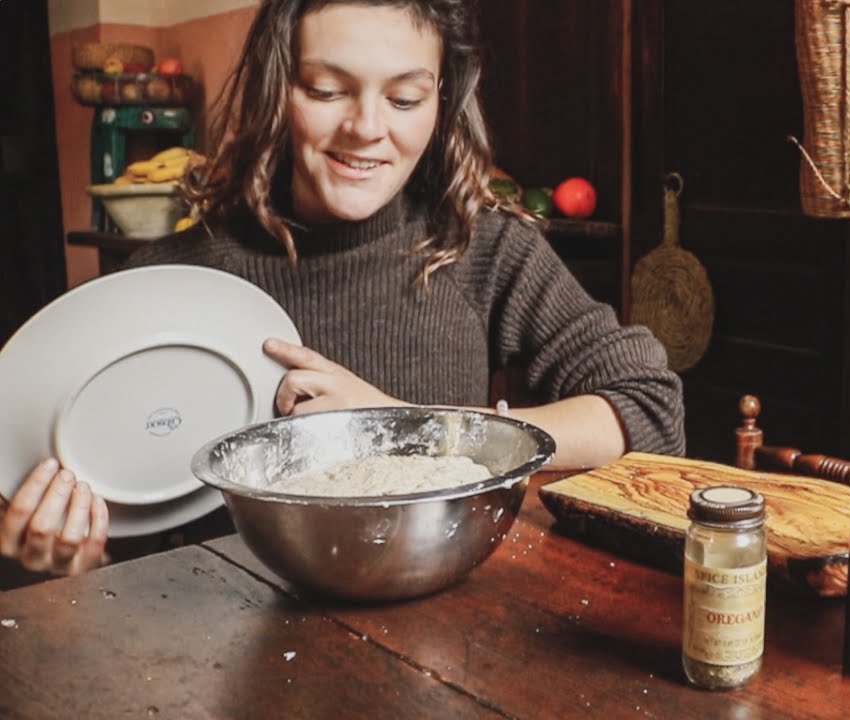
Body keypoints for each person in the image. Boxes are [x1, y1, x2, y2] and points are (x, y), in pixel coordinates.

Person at [1, 0, 684, 578]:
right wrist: (65, 558)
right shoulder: (170, 278)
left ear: (441, 101)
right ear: (277, 87)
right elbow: (132, 543)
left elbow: (651, 408)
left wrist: (411, 429)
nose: (365, 127)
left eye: (405, 97)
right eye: (326, 90)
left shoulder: (483, 249)